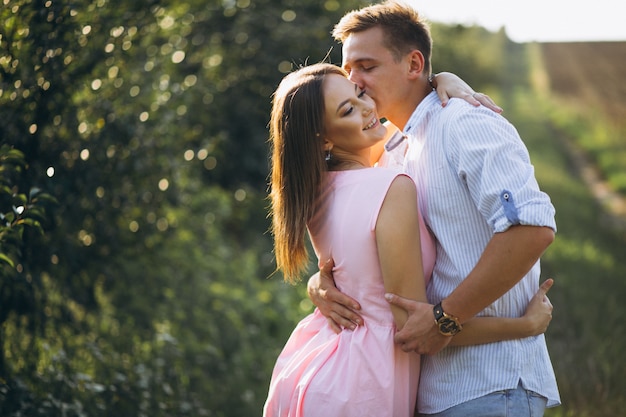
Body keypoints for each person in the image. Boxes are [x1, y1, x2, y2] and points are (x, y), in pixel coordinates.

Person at [307, 2, 561, 416]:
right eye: (348, 71)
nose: (354, 82)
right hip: (427, 388)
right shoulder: (392, 148)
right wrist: (319, 284)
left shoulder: (465, 123)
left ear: (413, 63)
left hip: (491, 385)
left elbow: (532, 228)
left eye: (366, 66)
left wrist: (446, 317)